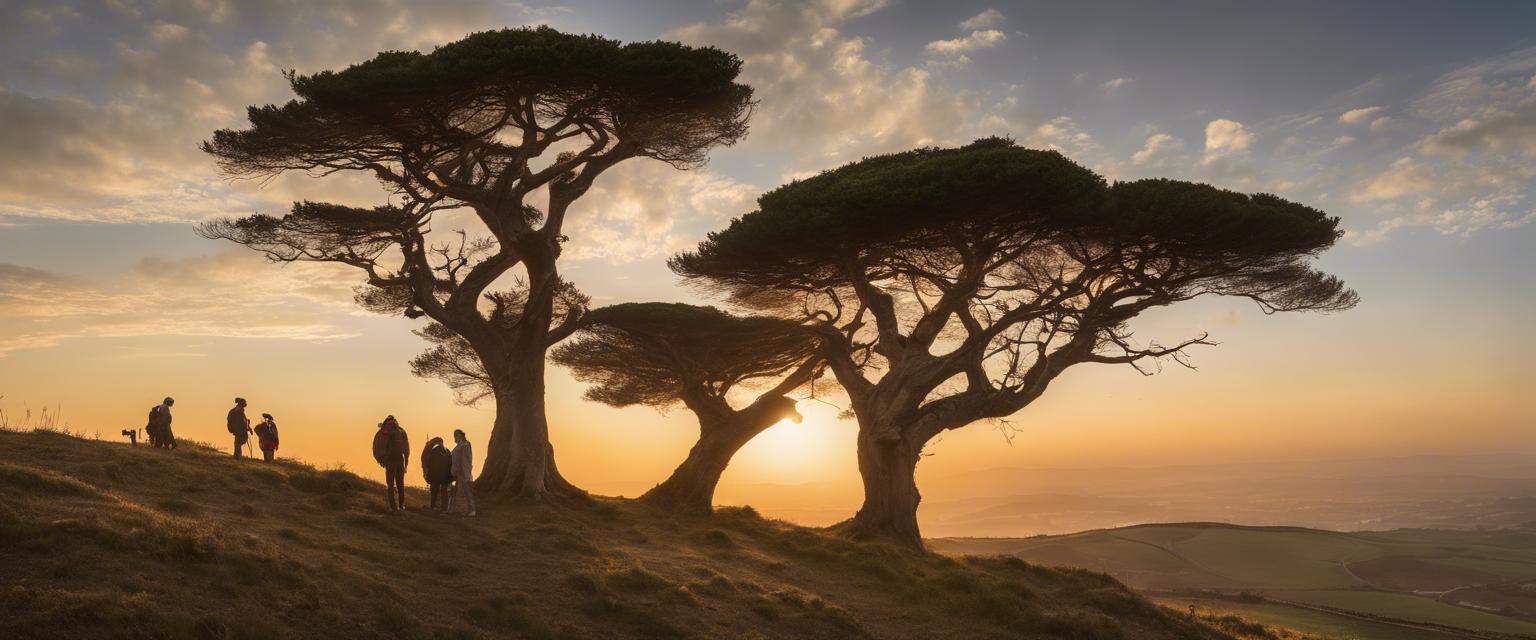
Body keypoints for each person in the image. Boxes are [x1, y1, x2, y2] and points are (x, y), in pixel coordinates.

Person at [372, 416, 410, 511]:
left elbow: (376, 448)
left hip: (390, 460)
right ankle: (401, 505)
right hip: (400, 459)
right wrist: (406, 463)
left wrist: (382, 461)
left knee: (390, 484)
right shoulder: (401, 431)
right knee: (400, 484)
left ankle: (393, 507)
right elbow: (406, 449)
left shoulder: (383, 431)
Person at [420, 437, 454, 512]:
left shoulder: (433, 451)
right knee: (444, 492)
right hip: (445, 475)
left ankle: (433, 506)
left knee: (434, 491)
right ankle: (444, 508)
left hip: (435, 474)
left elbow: (428, 462)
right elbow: (450, 463)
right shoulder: (447, 451)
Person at [450, 429, 476, 517]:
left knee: (467, 491)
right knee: (458, 491)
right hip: (458, 472)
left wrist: (466, 474)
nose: (455, 438)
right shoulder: (460, 446)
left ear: (460, 436)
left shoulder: (464, 446)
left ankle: (472, 510)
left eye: (456, 436)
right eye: (454, 436)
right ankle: (457, 509)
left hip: (463, 473)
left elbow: (465, 461)